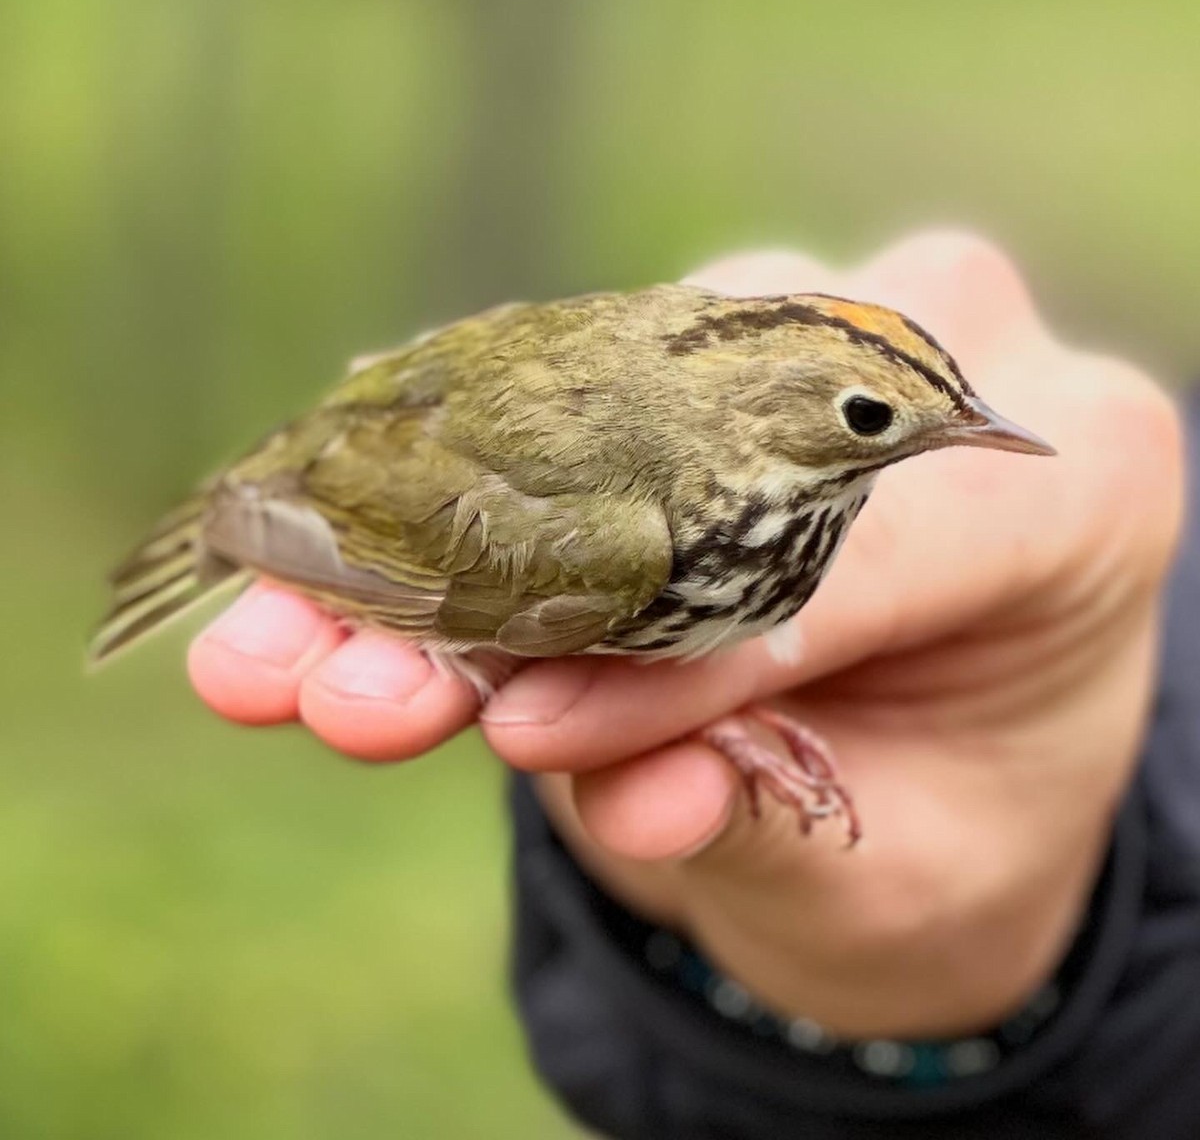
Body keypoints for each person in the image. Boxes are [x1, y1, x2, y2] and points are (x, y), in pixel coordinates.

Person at [187, 232, 1200, 1139]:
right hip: (394, 474)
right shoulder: (628, 536)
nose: (939, 433)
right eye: (869, 416)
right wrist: (261, 512)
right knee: (542, 644)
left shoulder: (753, 505)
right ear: (764, 419)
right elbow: (416, 534)